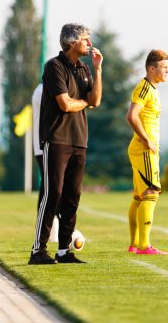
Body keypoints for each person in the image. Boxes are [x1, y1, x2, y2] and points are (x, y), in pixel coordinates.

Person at [29, 23, 103, 265]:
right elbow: (65, 104)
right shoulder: (54, 67)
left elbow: (96, 100)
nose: (89, 43)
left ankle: (63, 250)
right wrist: (83, 101)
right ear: (71, 42)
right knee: (53, 194)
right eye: (85, 39)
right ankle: (38, 250)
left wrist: (98, 69)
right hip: (57, 139)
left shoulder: (84, 68)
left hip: (79, 140)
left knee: (72, 196)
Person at [126, 49, 168, 255]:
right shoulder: (144, 88)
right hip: (144, 149)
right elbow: (131, 116)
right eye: (163, 66)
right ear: (151, 68)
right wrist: (146, 141)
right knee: (151, 193)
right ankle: (144, 245)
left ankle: (135, 244)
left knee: (139, 196)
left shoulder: (153, 88)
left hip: (143, 148)